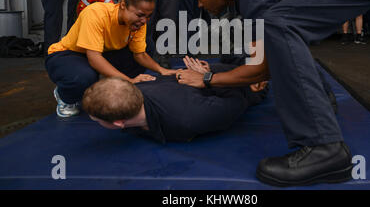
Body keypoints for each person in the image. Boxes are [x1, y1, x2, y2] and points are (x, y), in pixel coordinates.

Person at [176, 0, 370, 186]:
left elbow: (261, 70)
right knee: (282, 33)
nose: (200, 4)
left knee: (278, 25)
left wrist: (207, 78)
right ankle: (323, 101)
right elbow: (272, 55)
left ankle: (325, 147)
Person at [45, 0, 176, 118]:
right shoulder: (95, 14)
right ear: (123, 5)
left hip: (104, 52)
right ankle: (64, 95)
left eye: (148, 16)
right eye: (140, 15)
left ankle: (117, 86)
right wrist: (130, 80)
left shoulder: (138, 22)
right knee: (84, 77)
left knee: (148, 46)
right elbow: (94, 58)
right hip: (68, 55)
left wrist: (161, 70)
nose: (144, 20)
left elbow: (139, 54)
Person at [84, 59, 268, 143]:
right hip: (198, 77)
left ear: (118, 123)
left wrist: (209, 77)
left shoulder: (189, 118)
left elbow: (236, 103)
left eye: (97, 120)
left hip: (242, 85)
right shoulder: (137, 89)